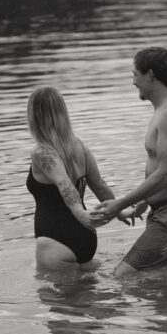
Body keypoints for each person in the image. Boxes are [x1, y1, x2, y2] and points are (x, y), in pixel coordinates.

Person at [91, 47, 167, 278]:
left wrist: (119, 204)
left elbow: (166, 174)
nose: (133, 82)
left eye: (135, 74)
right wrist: (144, 202)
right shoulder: (165, 111)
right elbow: (164, 170)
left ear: (150, 75)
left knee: (123, 276)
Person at [26, 86, 119, 270]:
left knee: (57, 299)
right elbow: (99, 185)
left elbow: (63, 183)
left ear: (35, 116)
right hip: (85, 239)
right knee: (87, 295)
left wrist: (82, 214)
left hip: (54, 243)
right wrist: (120, 210)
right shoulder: (80, 147)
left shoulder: (41, 151)